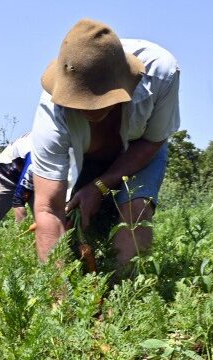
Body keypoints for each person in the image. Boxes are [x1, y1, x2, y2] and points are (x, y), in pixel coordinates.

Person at [29, 19, 181, 274]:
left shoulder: (161, 75)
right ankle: (81, 285)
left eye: (96, 101)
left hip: (140, 147)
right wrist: (58, 302)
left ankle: (121, 297)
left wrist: (99, 187)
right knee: (76, 224)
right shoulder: (51, 113)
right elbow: (47, 209)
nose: (86, 109)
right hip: (86, 156)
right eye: (79, 102)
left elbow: (153, 140)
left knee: (135, 211)